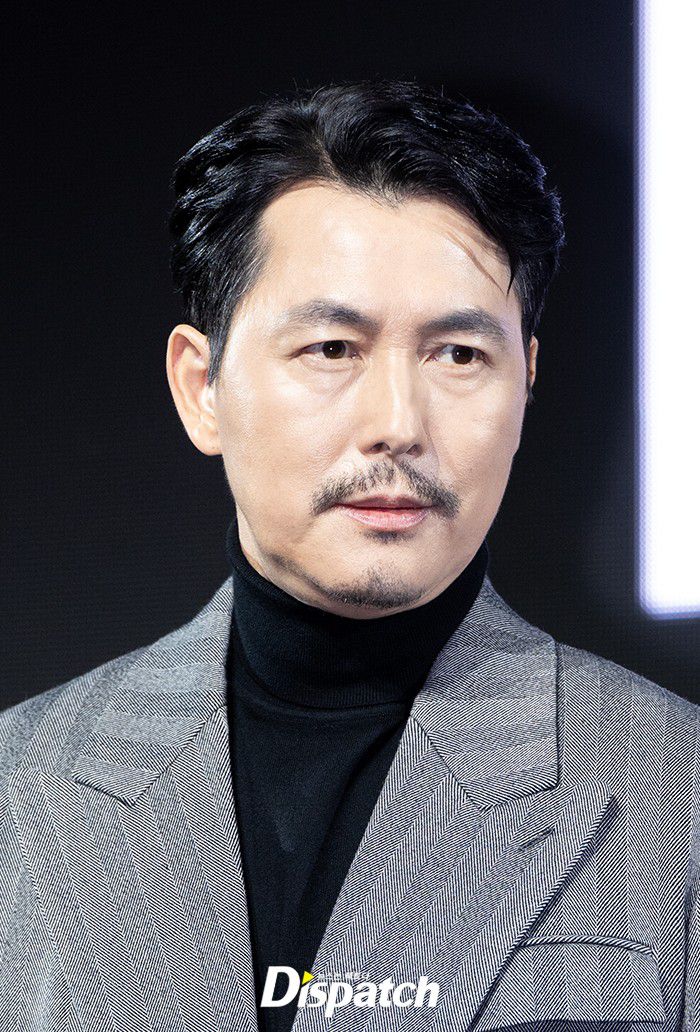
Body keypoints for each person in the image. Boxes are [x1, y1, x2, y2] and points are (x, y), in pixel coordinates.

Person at [0, 78, 697, 1032]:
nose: (397, 424)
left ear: (527, 381)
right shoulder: (21, 786)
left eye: (459, 355)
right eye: (333, 348)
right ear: (202, 388)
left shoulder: (673, 794)